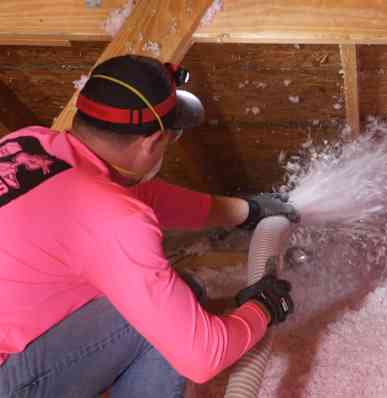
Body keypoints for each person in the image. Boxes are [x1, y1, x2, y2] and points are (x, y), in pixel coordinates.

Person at [0, 55, 299, 398]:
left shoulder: (28, 143)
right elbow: (202, 357)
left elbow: (140, 196)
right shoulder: (114, 218)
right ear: (151, 140)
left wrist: (247, 212)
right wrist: (262, 309)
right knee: (163, 323)